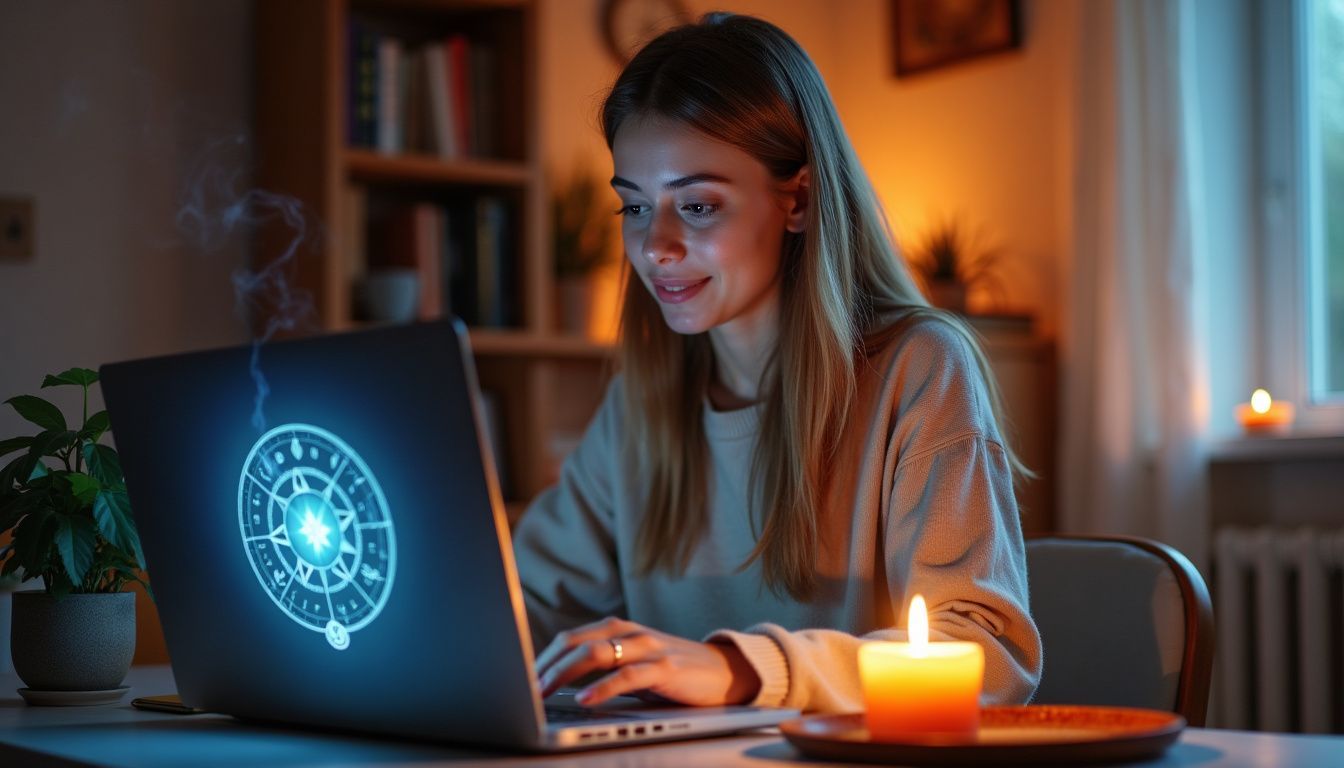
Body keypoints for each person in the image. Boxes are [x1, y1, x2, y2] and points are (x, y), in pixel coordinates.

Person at [513, 12, 1042, 713]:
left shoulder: (919, 369)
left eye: (697, 205)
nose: (655, 246)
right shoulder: (643, 402)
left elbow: (987, 655)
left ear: (797, 198)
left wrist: (739, 669)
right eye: (634, 207)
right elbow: (525, 608)